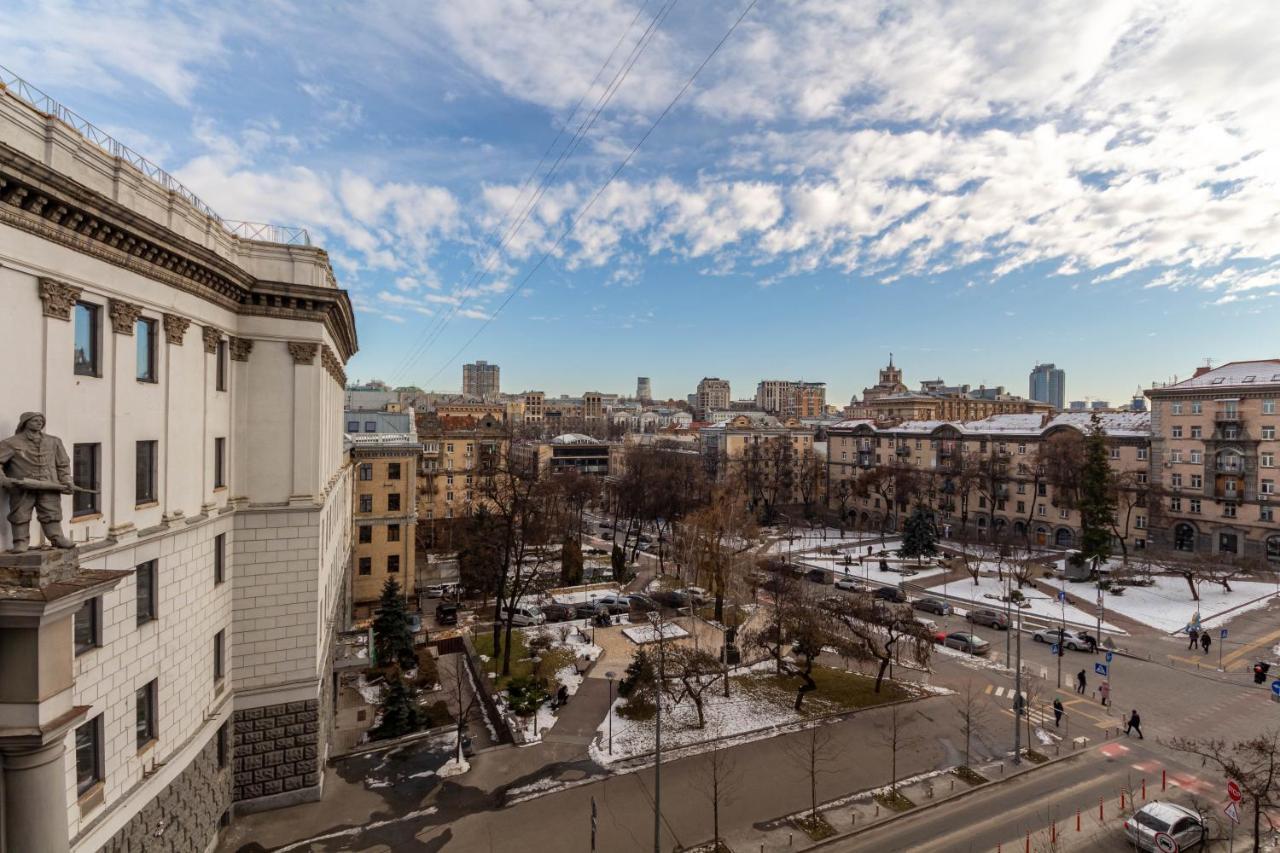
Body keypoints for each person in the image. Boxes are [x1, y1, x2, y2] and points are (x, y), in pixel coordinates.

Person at [0, 412, 75, 551]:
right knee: (20, 514)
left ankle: (57, 538)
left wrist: (66, 480)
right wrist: (4, 480)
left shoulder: (54, 441)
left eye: (41, 420)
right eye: (35, 420)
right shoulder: (10, 443)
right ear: (25, 423)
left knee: (52, 513)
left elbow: (63, 464)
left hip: (49, 486)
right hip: (22, 487)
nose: (39, 422)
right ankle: (20, 542)